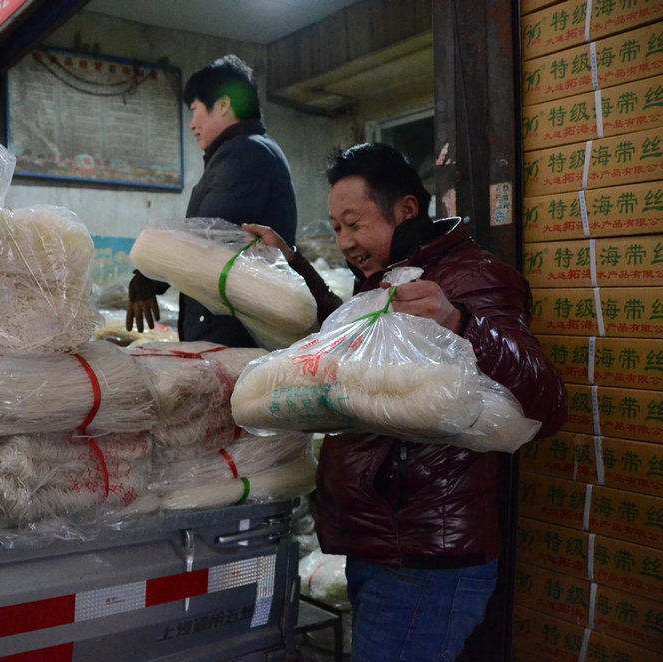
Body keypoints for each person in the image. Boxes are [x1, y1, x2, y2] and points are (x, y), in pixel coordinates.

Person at [251, 143, 567, 662]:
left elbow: (547, 401)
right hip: (381, 546)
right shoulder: (384, 284)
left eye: (354, 223)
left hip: (425, 559)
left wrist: (461, 323)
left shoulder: (472, 278)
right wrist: (292, 264)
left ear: (407, 210)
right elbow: (346, 348)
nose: (346, 242)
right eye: (336, 228)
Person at [126, 54, 305, 346]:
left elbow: (206, 238)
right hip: (229, 326)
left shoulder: (245, 154)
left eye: (195, 110)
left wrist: (147, 276)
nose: (192, 124)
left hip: (233, 331)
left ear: (222, 105)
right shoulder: (246, 152)